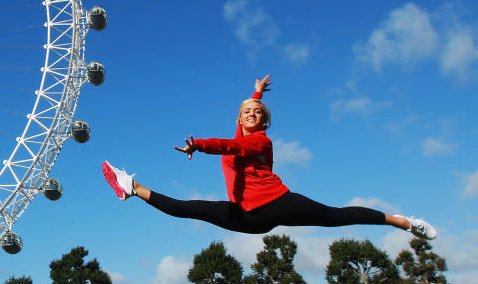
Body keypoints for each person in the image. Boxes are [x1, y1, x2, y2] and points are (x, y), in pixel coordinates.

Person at [102, 75, 437, 239]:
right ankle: (131, 187)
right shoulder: (241, 128)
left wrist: (199, 145)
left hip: (277, 203)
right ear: (238, 118)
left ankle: (403, 221)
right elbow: (240, 127)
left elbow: (234, 147)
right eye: (247, 111)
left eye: (258, 112)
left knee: (335, 216)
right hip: (247, 218)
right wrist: (257, 92)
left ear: (265, 121)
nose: (252, 114)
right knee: (188, 209)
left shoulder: (260, 143)